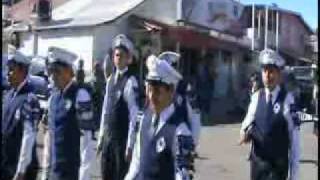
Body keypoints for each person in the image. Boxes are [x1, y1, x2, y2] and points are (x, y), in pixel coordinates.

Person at [125, 55, 195, 180]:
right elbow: (136, 163)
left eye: (157, 91)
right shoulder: (143, 119)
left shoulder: (179, 131)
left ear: (171, 91)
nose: (151, 96)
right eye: (149, 90)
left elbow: (183, 176)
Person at [239, 49, 300, 180]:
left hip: (277, 170)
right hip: (258, 168)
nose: (267, 75)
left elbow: (295, 141)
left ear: (279, 74)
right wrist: (244, 132)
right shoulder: (256, 97)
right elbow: (246, 123)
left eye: (271, 71)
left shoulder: (288, 100)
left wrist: (294, 175)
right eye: (265, 71)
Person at [47, 46, 94, 180]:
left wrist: (84, 175)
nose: (53, 76)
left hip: (72, 170)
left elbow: (86, 138)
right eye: (51, 71)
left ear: (68, 71)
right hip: (56, 170)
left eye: (57, 71)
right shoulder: (54, 98)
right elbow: (51, 134)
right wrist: (47, 169)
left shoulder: (80, 95)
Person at [97, 34, 139, 180]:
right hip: (109, 138)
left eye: (122, 55)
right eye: (116, 55)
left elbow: (134, 116)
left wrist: (130, 144)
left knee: (120, 175)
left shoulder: (130, 82)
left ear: (129, 59)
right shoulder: (110, 81)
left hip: (121, 140)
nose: (118, 58)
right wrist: (101, 136)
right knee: (106, 174)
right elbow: (105, 111)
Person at [2, 51, 41, 180]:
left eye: (11, 70)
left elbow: (28, 137)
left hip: (21, 169)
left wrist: (21, 170)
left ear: (22, 71)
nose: (8, 73)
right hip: (6, 165)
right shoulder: (8, 95)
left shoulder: (30, 99)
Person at [158, 51, 201, 151]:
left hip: (180, 138)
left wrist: (193, 142)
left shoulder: (185, 88)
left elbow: (195, 117)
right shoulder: (156, 88)